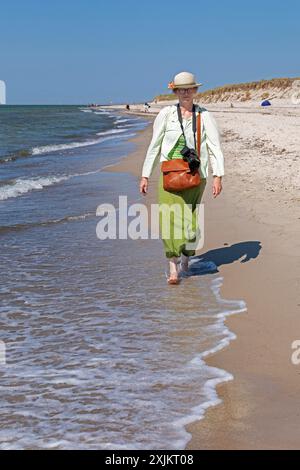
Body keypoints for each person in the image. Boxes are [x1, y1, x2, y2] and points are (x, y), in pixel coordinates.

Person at [139, 71, 224, 285]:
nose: (186, 93)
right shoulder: (166, 114)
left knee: (190, 224)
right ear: (175, 92)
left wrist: (218, 176)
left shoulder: (204, 116)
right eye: (181, 90)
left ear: (195, 90)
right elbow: (154, 146)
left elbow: (215, 147)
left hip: (196, 176)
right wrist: (145, 175)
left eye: (189, 89)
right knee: (168, 222)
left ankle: (186, 260)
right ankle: (173, 267)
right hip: (169, 176)